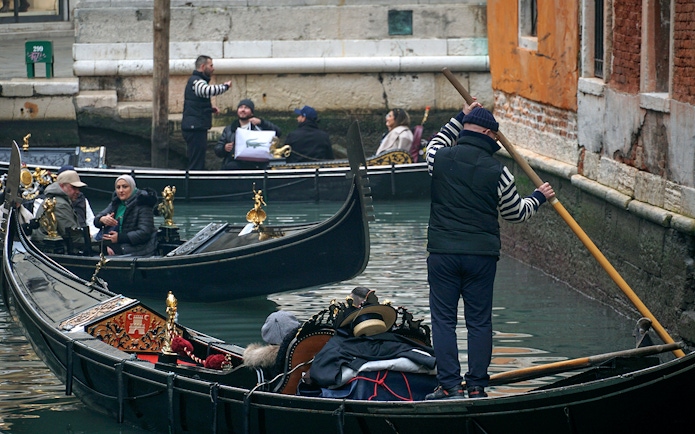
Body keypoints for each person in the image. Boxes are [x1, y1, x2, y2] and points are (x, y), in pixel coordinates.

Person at [424, 104, 555, 400]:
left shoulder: (440, 159)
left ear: (465, 130)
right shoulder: (500, 172)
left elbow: (436, 143)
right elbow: (516, 213)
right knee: (479, 321)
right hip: (481, 257)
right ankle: (476, 386)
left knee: (443, 320)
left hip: (443, 253)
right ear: (487, 133)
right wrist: (538, 197)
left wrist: (459, 116)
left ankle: (449, 386)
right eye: (494, 135)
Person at [181, 55, 232, 171]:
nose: (213, 68)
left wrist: (210, 109)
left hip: (196, 126)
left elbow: (196, 102)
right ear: (203, 67)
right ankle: (195, 183)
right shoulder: (196, 81)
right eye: (211, 65)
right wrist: (225, 86)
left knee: (197, 158)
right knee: (196, 161)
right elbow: (207, 91)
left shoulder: (197, 81)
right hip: (194, 128)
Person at [94, 174, 158, 256]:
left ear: (132, 187)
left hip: (138, 247)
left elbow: (144, 233)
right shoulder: (116, 202)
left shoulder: (143, 203)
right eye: (118, 187)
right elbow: (96, 220)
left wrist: (119, 238)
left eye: (125, 187)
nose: (121, 190)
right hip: (116, 242)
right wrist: (102, 219)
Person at [213, 99, 282, 170]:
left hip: (256, 163)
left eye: (246, 108)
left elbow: (278, 132)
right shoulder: (229, 129)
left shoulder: (259, 127)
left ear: (252, 113)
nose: (243, 110)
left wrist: (262, 122)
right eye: (241, 107)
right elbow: (218, 149)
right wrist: (224, 148)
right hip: (235, 163)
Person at [31, 170, 88, 253]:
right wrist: (101, 246)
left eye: (78, 188)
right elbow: (73, 236)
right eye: (73, 187)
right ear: (62, 186)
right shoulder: (60, 204)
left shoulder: (56, 200)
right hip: (54, 252)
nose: (77, 192)